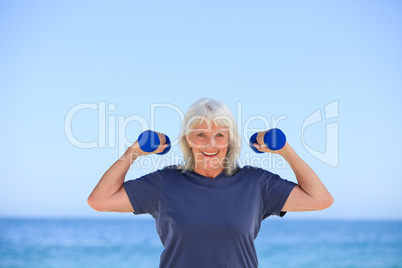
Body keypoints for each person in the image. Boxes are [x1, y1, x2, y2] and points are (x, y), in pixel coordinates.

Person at [87, 98, 333, 268]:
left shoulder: (255, 182)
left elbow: (320, 199)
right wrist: (134, 152)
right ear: (188, 140)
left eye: (219, 135)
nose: (211, 144)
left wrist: (285, 151)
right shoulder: (165, 182)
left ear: (229, 140)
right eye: (201, 135)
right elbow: (100, 200)